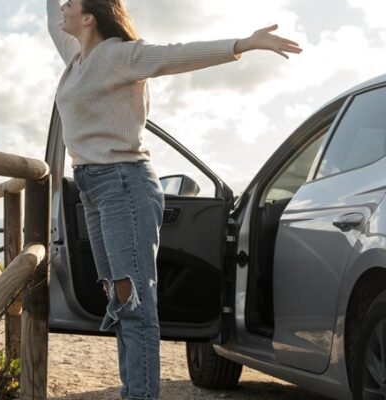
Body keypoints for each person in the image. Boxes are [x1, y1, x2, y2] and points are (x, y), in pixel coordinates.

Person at [45, 0, 302, 399]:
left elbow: (176, 56)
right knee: (118, 298)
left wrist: (243, 44)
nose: (62, 8)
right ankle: (136, 392)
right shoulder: (76, 57)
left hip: (123, 184)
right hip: (92, 186)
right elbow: (50, 20)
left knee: (135, 303)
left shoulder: (119, 55)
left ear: (90, 16)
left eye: (70, 4)